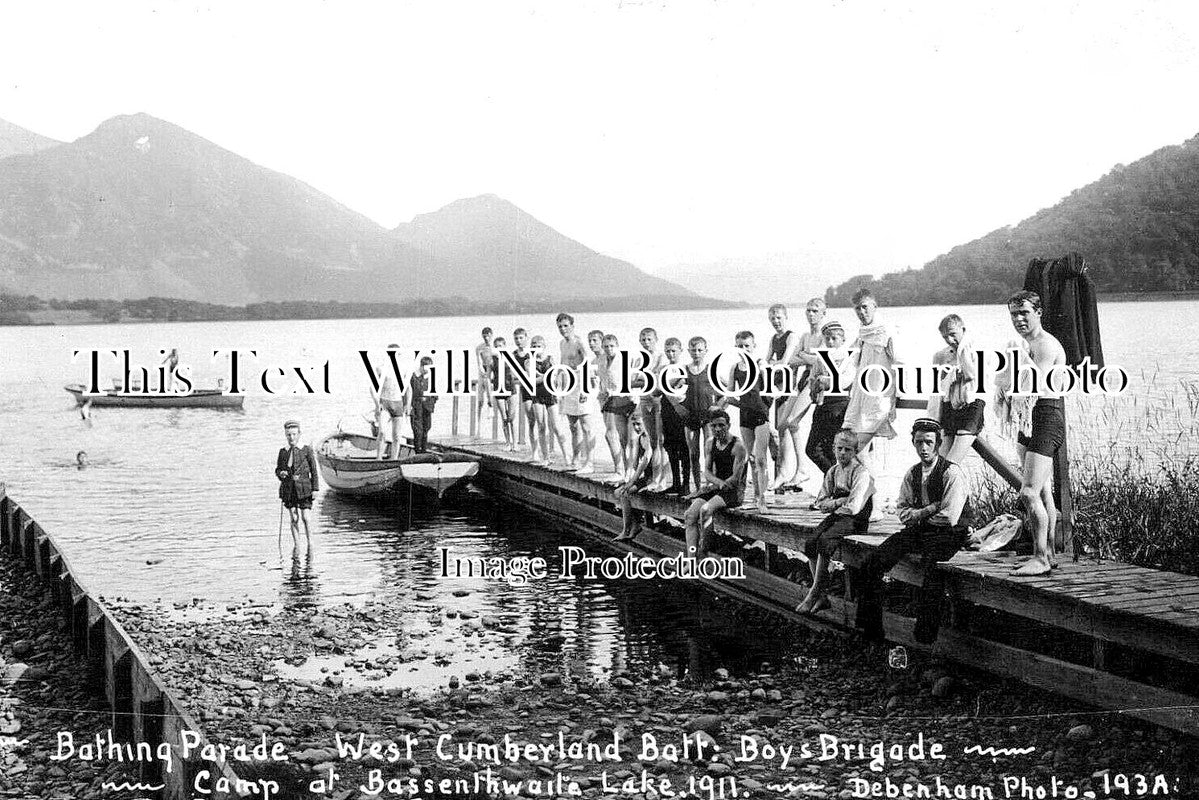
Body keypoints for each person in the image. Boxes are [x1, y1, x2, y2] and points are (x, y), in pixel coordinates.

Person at [855, 418, 970, 644]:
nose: (923, 448)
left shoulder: (951, 472)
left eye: (929, 442)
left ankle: (925, 637)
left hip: (950, 533)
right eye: (919, 442)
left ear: (937, 444)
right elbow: (903, 512)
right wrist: (929, 509)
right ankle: (871, 631)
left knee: (933, 568)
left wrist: (919, 514)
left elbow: (949, 517)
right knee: (873, 562)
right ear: (913, 443)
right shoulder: (912, 473)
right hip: (922, 529)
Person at [999, 290, 1067, 577]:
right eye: (1014, 314)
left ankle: (1039, 558)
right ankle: (1048, 553)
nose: (1019, 319)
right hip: (1029, 418)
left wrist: (1011, 366)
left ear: (1038, 312)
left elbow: (1032, 384)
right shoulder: (1025, 346)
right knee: (1042, 493)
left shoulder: (1045, 344)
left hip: (1046, 416)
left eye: (1024, 312)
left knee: (1028, 492)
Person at [796, 429, 874, 615]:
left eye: (848, 449)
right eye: (839, 449)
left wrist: (833, 505)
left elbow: (854, 507)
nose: (843, 453)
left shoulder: (861, 473)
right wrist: (838, 502)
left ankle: (814, 593)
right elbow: (820, 502)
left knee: (825, 541)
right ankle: (822, 597)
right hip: (840, 515)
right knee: (811, 543)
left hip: (857, 520)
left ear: (855, 451)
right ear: (833, 449)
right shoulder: (833, 471)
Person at [843, 290, 900, 509]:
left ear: (875, 306)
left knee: (857, 449)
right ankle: (870, 505)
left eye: (865, 307)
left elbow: (899, 367)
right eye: (857, 308)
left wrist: (894, 401)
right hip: (861, 399)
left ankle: (873, 503)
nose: (861, 312)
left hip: (878, 400)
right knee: (857, 451)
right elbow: (853, 365)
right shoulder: (863, 334)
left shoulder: (887, 332)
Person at [775, 299, 827, 490]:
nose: (811, 314)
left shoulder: (824, 335)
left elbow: (821, 361)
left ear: (823, 313)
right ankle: (784, 471)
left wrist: (806, 356)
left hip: (816, 381)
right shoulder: (806, 336)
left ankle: (802, 470)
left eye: (815, 311)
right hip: (804, 377)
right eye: (808, 311)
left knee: (792, 422)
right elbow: (791, 361)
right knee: (782, 423)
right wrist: (808, 357)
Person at [718, 331, 771, 512]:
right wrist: (721, 406)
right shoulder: (735, 368)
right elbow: (731, 393)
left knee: (762, 458)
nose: (743, 349)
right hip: (745, 416)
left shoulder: (760, 364)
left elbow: (771, 388)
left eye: (747, 346)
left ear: (753, 346)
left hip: (761, 415)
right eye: (739, 346)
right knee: (752, 459)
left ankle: (762, 499)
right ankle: (756, 496)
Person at [683, 410, 747, 558]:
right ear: (710, 427)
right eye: (714, 426)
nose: (718, 429)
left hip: (732, 491)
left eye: (721, 425)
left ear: (729, 425)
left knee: (705, 510)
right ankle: (691, 559)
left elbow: (735, 479)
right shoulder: (710, 443)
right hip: (718, 487)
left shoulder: (738, 446)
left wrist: (719, 484)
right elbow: (706, 471)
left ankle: (703, 550)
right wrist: (717, 483)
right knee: (689, 515)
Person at [929, 314, 985, 465]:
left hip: (971, 407)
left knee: (951, 464)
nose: (949, 340)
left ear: (963, 330)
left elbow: (972, 376)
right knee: (939, 464)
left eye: (953, 334)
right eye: (945, 337)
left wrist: (963, 353)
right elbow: (938, 389)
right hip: (949, 408)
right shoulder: (941, 356)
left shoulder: (975, 349)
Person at [806, 321, 854, 474]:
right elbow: (812, 380)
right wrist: (815, 385)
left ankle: (836, 485)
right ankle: (834, 480)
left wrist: (824, 381)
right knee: (813, 449)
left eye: (834, 338)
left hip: (840, 407)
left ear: (843, 340)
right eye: (827, 339)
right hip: (822, 406)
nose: (831, 342)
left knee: (836, 450)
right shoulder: (821, 358)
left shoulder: (849, 357)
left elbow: (846, 381)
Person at [764, 304, 801, 491]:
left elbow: (784, 362)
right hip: (775, 382)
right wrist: (769, 363)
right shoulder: (773, 338)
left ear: (785, 317)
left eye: (779, 317)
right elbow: (766, 360)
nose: (776, 321)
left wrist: (770, 363)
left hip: (787, 383)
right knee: (773, 426)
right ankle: (781, 472)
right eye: (772, 318)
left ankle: (783, 473)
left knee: (782, 427)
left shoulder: (791, 336)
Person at [557, 313, 592, 472]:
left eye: (565, 325)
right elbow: (562, 363)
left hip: (580, 383)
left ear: (572, 325)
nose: (563, 329)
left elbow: (587, 364)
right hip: (567, 384)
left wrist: (585, 388)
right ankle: (576, 459)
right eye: (560, 326)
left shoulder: (579, 343)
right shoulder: (562, 343)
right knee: (573, 426)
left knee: (586, 425)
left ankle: (589, 461)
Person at [681, 336, 716, 491]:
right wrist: (678, 404)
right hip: (690, 417)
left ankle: (710, 484)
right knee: (693, 453)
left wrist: (718, 407)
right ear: (689, 351)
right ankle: (697, 486)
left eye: (699, 350)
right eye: (693, 350)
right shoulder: (685, 370)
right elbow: (671, 388)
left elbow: (726, 389)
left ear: (705, 351)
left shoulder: (710, 370)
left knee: (709, 452)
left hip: (707, 417)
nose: (696, 353)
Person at [599, 333, 636, 476]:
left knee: (629, 438)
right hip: (613, 401)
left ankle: (628, 470)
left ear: (617, 346)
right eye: (606, 346)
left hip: (627, 400)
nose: (609, 349)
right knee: (617, 437)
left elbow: (631, 379)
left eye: (612, 346)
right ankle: (622, 469)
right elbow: (603, 380)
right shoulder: (603, 361)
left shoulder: (623, 359)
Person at [276, 420, 319, 541]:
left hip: (305, 489)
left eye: (294, 434)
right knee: (294, 518)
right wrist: (281, 474)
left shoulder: (306, 450)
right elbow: (278, 470)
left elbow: (314, 471)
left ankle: (310, 543)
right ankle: (297, 545)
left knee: (306, 517)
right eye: (289, 435)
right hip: (289, 489)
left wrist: (315, 489)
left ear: (299, 434)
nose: (291, 437)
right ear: (286, 435)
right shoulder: (283, 452)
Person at [614, 413, 654, 541]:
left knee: (625, 493)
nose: (636, 427)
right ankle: (635, 525)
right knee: (620, 491)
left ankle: (626, 529)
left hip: (653, 477)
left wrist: (631, 483)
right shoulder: (639, 438)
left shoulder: (650, 438)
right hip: (645, 476)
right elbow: (635, 464)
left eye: (639, 424)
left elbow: (645, 462)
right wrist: (627, 480)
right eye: (634, 425)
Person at [659, 337, 692, 495]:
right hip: (666, 408)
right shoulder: (663, 369)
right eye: (668, 351)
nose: (670, 354)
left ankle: (686, 484)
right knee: (670, 446)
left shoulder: (684, 368)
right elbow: (658, 390)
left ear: (680, 351)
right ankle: (676, 482)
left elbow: (684, 387)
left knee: (684, 446)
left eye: (673, 351)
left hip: (681, 409)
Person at [529, 335, 567, 466]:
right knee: (541, 426)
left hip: (551, 394)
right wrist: (547, 375)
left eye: (538, 346)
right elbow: (532, 380)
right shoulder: (529, 362)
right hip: (537, 395)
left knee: (556, 427)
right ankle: (545, 457)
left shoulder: (551, 359)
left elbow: (557, 375)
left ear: (543, 347)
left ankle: (566, 456)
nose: (536, 349)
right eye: (533, 346)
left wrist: (543, 376)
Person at [372, 343, 406, 460]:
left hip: (398, 403)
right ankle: (378, 458)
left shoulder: (403, 369)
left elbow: (408, 389)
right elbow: (372, 388)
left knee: (396, 436)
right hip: (385, 403)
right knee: (382, 432)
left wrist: (408, 405)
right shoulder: (381, 368)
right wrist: (377, 405)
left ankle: (394, 459)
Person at [405, 356, 437, 454]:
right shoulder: (413, 377)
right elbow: (407, 392)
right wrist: (408, 406)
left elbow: (435, 394)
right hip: (416, 406)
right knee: (417, 430)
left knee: (426, 428)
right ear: (422, 366)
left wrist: (431, 402)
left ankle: (424, 450)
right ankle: (418, 451)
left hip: (427, 407)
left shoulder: (430, 378)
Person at [512, 327, 536, 454]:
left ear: (526, 338)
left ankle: (544, 449)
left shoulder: (532, 353)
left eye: (521, 338)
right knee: (531, 420)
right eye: (516, 338)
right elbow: (512, 375)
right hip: (525, 389)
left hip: (537, 388)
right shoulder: (514, 355)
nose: (519, 341)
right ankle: (534, 450)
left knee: (542, 421)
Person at [491, 336, 517, 451]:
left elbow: (516, 371)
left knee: (512, 417)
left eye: (500, 346)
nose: (498, 348)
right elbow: (488, 375)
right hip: (498, 389)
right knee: (504, 417)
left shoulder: (509, 357)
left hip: (510, 388)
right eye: (496, 347)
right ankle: (507, 443)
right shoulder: (492, 360)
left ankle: (515, 443)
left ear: (505, 346)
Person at [475, 327, 496, 430]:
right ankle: (478, 424)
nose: (486, 338)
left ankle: (490, 405)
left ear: (491, 335)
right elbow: (479, 362)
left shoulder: (494, 347)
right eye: (484, 336)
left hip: (492, 370)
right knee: (479, 398)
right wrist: (482, 371)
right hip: (483, 370)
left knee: (488, 381)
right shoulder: (479, 348)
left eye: (488, 336)